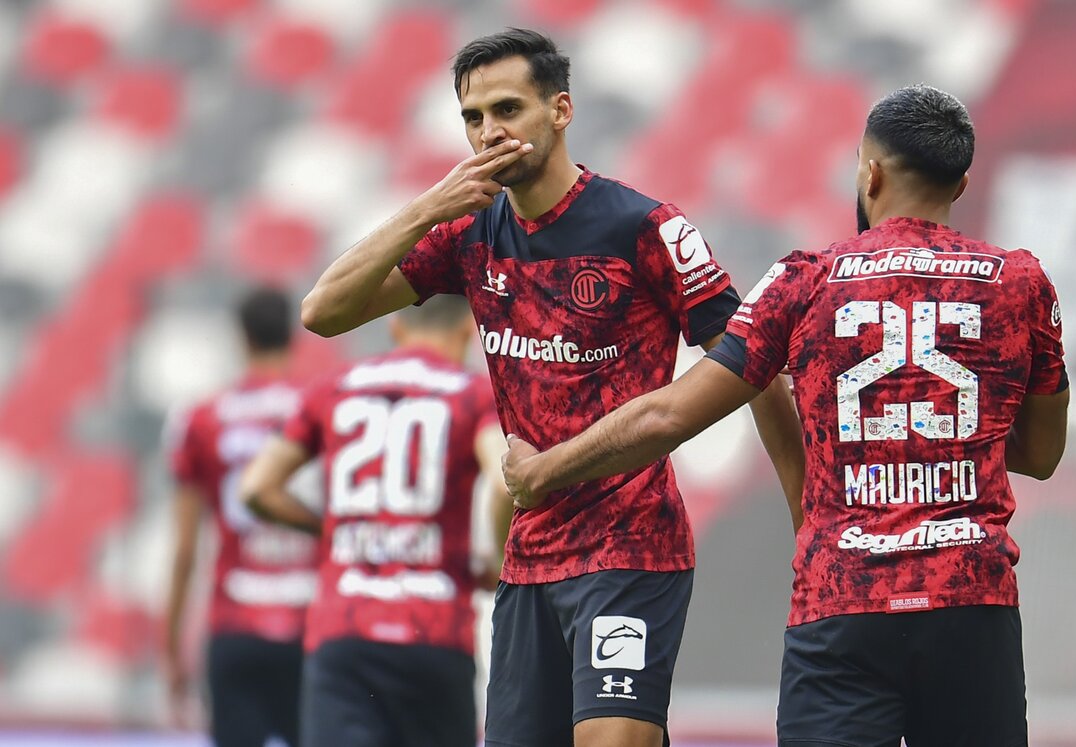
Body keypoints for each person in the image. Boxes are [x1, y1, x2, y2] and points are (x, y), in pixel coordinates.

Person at [503, 84, 1070, 747]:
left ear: (870, 171)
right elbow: (1040, 454)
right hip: (972, 602)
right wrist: (932, 432)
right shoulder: (1020, 282)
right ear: (962, 181)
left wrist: (545, 468)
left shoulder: (805, 279)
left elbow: (669, 416)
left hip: (843, 603)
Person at [298, 27, 805, 747]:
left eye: (507, 109)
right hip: (531, 553)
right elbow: (324, 311)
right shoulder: (469, 233)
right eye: (472, 118)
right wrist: (425, 208)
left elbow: (755, 364)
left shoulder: (644, 227)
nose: (488, 133)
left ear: (560, 110)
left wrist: (803, 513)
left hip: (631, 547)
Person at [239, 294, 511, 747]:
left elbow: (256, 488)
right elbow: (505, 481)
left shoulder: (333, 387)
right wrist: (499, 562)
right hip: (435, 630)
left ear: (397, 329)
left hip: (345, 631)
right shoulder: (472, 392)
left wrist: (335, 530)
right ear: (468, 330)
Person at [163, 286, 319, 747]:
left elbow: (185, 549)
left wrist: (171, 649)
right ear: (292, 334)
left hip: (235, 624)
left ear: (242, 338)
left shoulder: (201, 417)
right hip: (309, 622)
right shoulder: (321, 405)